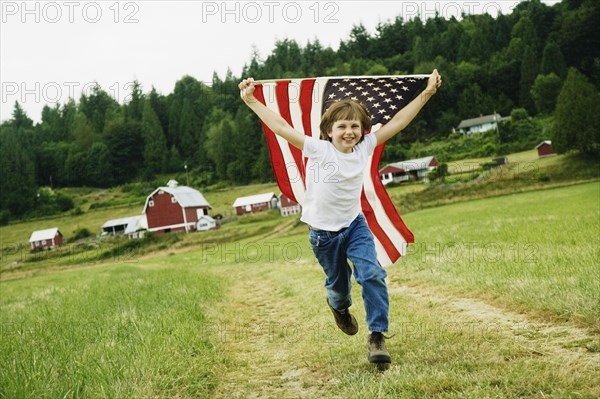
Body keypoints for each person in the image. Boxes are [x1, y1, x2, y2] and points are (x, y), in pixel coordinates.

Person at [239, 70, 441, 366]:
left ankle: (376, 336)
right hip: (323, 235)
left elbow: (398, 122)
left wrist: (426, 93)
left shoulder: (364, 148)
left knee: (371, 274)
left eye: (355, 126)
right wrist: (252, 101)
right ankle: (339, 308)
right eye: (342, 126)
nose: (349, 131)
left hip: (355, 226)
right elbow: (281, 127)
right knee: (339, 287)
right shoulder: (318, 150)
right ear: (329, 130)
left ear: (362, 130)